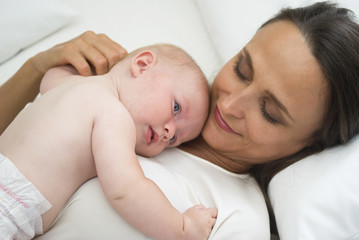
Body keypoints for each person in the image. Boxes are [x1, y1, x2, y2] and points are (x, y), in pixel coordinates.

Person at [2, 2, 359, 239]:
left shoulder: (235, 220)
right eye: (241, 69)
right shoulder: (146, 91)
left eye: (269, 112)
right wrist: (37, 68)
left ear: (307, 145)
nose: (231, 103)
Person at [0, 43, 215, 240]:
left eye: (174, 140)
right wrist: (182, 228)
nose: (169, 132)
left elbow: (51, 74)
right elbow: (127, 190)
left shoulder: (67, 83)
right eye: (176, 108)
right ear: (142, 65)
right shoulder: (113, 116)